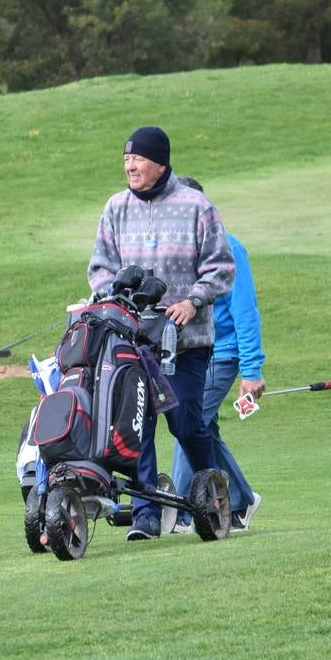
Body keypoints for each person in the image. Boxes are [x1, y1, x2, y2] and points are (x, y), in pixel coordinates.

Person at [88, 126, 234, 540]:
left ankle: (212, 491)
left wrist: (193, 300)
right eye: (126, 160)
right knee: (138, 425)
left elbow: (221, 267)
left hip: (185, 343)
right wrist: (110, 297)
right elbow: (99, 268)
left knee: (184, 424)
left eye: (138, 159)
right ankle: (146, 514)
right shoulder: (115, 208)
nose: (130, 166)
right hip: (133, 341)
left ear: (161, 162)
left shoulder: (196, 207)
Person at [168, 177, 263, 534]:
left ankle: (179, 510)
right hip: (191, 356)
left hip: (221, 355)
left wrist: (252, 371)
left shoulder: (228, 249)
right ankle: (239, 500)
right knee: (204, 428)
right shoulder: (180, 252)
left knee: (188, 425)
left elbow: (245, 312)